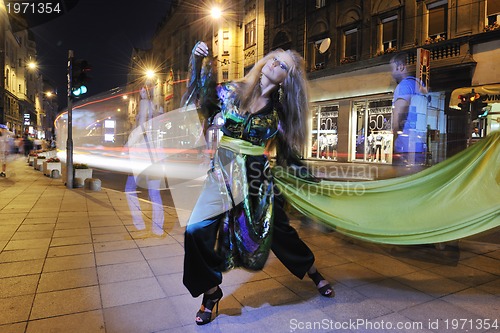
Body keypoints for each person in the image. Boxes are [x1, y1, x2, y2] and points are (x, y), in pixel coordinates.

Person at [182, 41, 334, 326]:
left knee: (279, 232)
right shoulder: (230, 91)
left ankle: (313, 272)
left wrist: (312, 179)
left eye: (283, 66)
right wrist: (198, 61)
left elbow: (289, 155)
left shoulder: (279, 112)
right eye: (274, 59)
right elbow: (201, 97)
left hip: (257, 178)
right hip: (223, 173)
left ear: (286, 79)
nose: (275, 65)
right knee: (195, 230)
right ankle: (211, 293)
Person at [390, 53, 428, 166]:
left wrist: (395, 135)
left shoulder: (403, 86)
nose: (391, 74)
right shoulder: (419, 84)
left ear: (400, 67)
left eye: (392, 69)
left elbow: (398, 114)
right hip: (419, 144)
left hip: (405, 145)